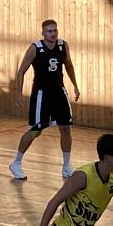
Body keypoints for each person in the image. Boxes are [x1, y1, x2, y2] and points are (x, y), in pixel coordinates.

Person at [9, 19, 79, 180]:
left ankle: (67, 166)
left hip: (59, 92)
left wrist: (75, 85)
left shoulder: (63, 46)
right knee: (36, 130)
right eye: (49, 31)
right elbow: (20, 72)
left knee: (66, 128)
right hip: (41, 94)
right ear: (43, 33)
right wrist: (18, 94)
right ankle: (16, 163)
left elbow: (69, 65)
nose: (53, 33)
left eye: (55, 30)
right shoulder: (35, 48)